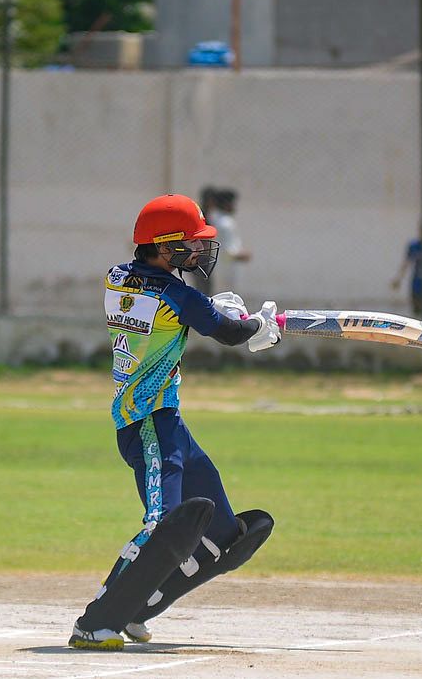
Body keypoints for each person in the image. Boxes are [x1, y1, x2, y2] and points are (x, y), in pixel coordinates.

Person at [68, 194, 279, 651]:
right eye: (190, 242)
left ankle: (137, 608)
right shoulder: (177, 296)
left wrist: (214, 310)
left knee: (220, 530)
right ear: (164, 246)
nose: (199, 250)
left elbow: (178, 310)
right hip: (146, 422)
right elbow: (228, 334)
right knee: (163, 524)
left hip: (167, 422)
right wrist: (258, 325)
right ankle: (95, 622)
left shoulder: (118, 277)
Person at [201, 186, 250, 293]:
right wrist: (241, 255)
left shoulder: (215, 218)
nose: (234, 206)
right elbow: (226, 250)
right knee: (228, 296)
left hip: (218, 266)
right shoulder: (226, 223)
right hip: (227, 268)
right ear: (226, 204)